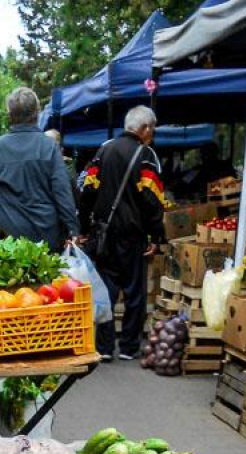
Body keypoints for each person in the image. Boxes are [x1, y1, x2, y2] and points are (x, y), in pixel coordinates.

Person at [80, 106, 167, 362]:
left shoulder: (104, 150)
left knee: (105, 290)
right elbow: (153, 199)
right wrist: (156, 236)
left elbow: (87, 190)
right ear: (146, 129)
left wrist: (84, 228)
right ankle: (129, 347)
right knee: (134, 292)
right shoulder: (146, 155)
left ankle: (104, 347)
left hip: (104, 234)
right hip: (133, 235)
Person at [0, 87, 79, 251]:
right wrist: (73, 229)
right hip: (45, 234)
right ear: (37, 113)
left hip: (5, 235)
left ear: (10, 115)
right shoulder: (49, 147)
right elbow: (62, 191)